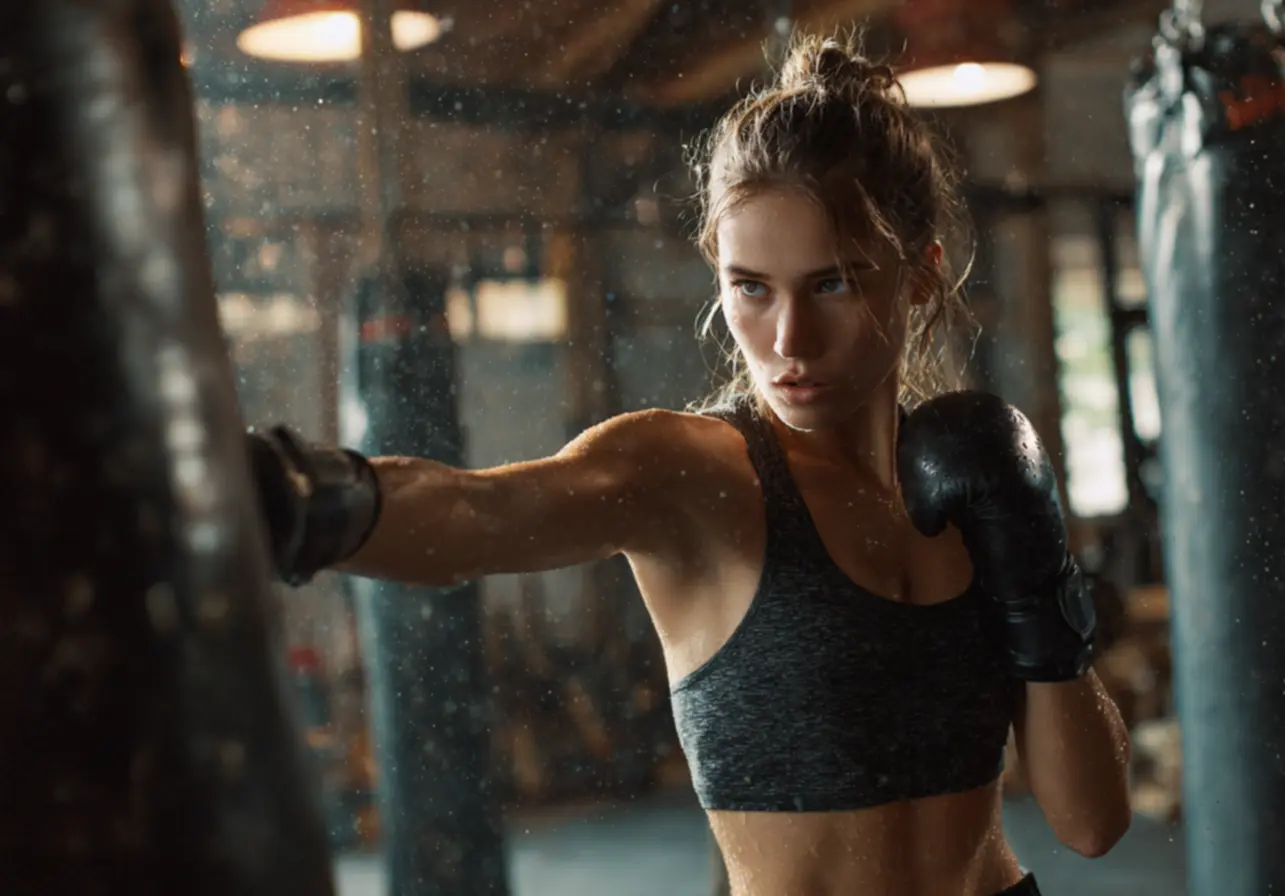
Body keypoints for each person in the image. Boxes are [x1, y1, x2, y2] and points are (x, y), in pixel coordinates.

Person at [248, 30, 1132, 896]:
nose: (789, 339)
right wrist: (285, 499)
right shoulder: (695, 475)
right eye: (751, 287)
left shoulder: (965, 478)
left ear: (923, 275)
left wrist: (1040, 587)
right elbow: (479, 515)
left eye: (834, 282)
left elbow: (1092, 824)